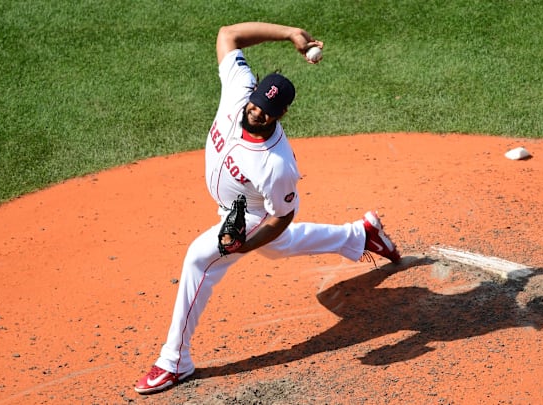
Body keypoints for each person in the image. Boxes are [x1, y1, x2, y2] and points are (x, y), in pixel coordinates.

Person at [134, 22, 401, 394]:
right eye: (256, 103)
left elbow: (281, 217)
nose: (257, 112)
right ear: (253, 91)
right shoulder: (238, 90)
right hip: (234, 206)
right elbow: (228, 34)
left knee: (199, 258)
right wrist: (290, 32)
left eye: (267, 111)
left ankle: (174, 360)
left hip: (250, 216)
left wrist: (243, 243)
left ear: (282, 114)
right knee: (278, 249)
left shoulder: (277, 165)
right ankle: (361, 234)